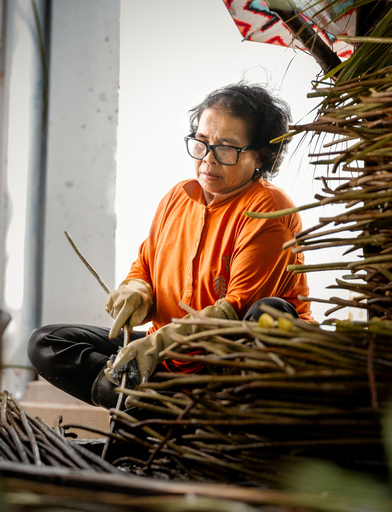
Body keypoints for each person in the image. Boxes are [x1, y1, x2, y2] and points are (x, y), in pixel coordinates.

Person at [27, 82, 312, 409]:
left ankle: (169, 408)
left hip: (227, 368)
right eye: (202, 143)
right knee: (47, 343)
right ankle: (138, 399)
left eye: (227, 148)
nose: (208, 160)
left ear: (261, 154)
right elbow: (145, 268)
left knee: (272, 314)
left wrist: (158, 344)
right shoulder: (178, 197)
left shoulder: (268, 207)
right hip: (168, 362)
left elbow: (237, 309)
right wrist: (137, 292)